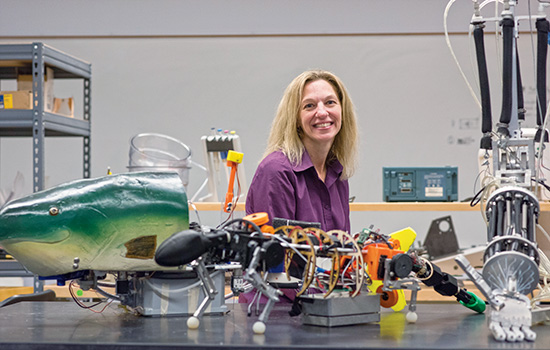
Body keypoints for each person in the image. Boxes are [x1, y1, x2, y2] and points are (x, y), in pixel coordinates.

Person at [246, 69, 359, 233]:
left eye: (330, 102)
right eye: (309, 106)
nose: (322, 112)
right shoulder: (276, 171)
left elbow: (341, 248)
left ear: (342, 111)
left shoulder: (337, 174)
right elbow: (273, 253)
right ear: (296, 119)